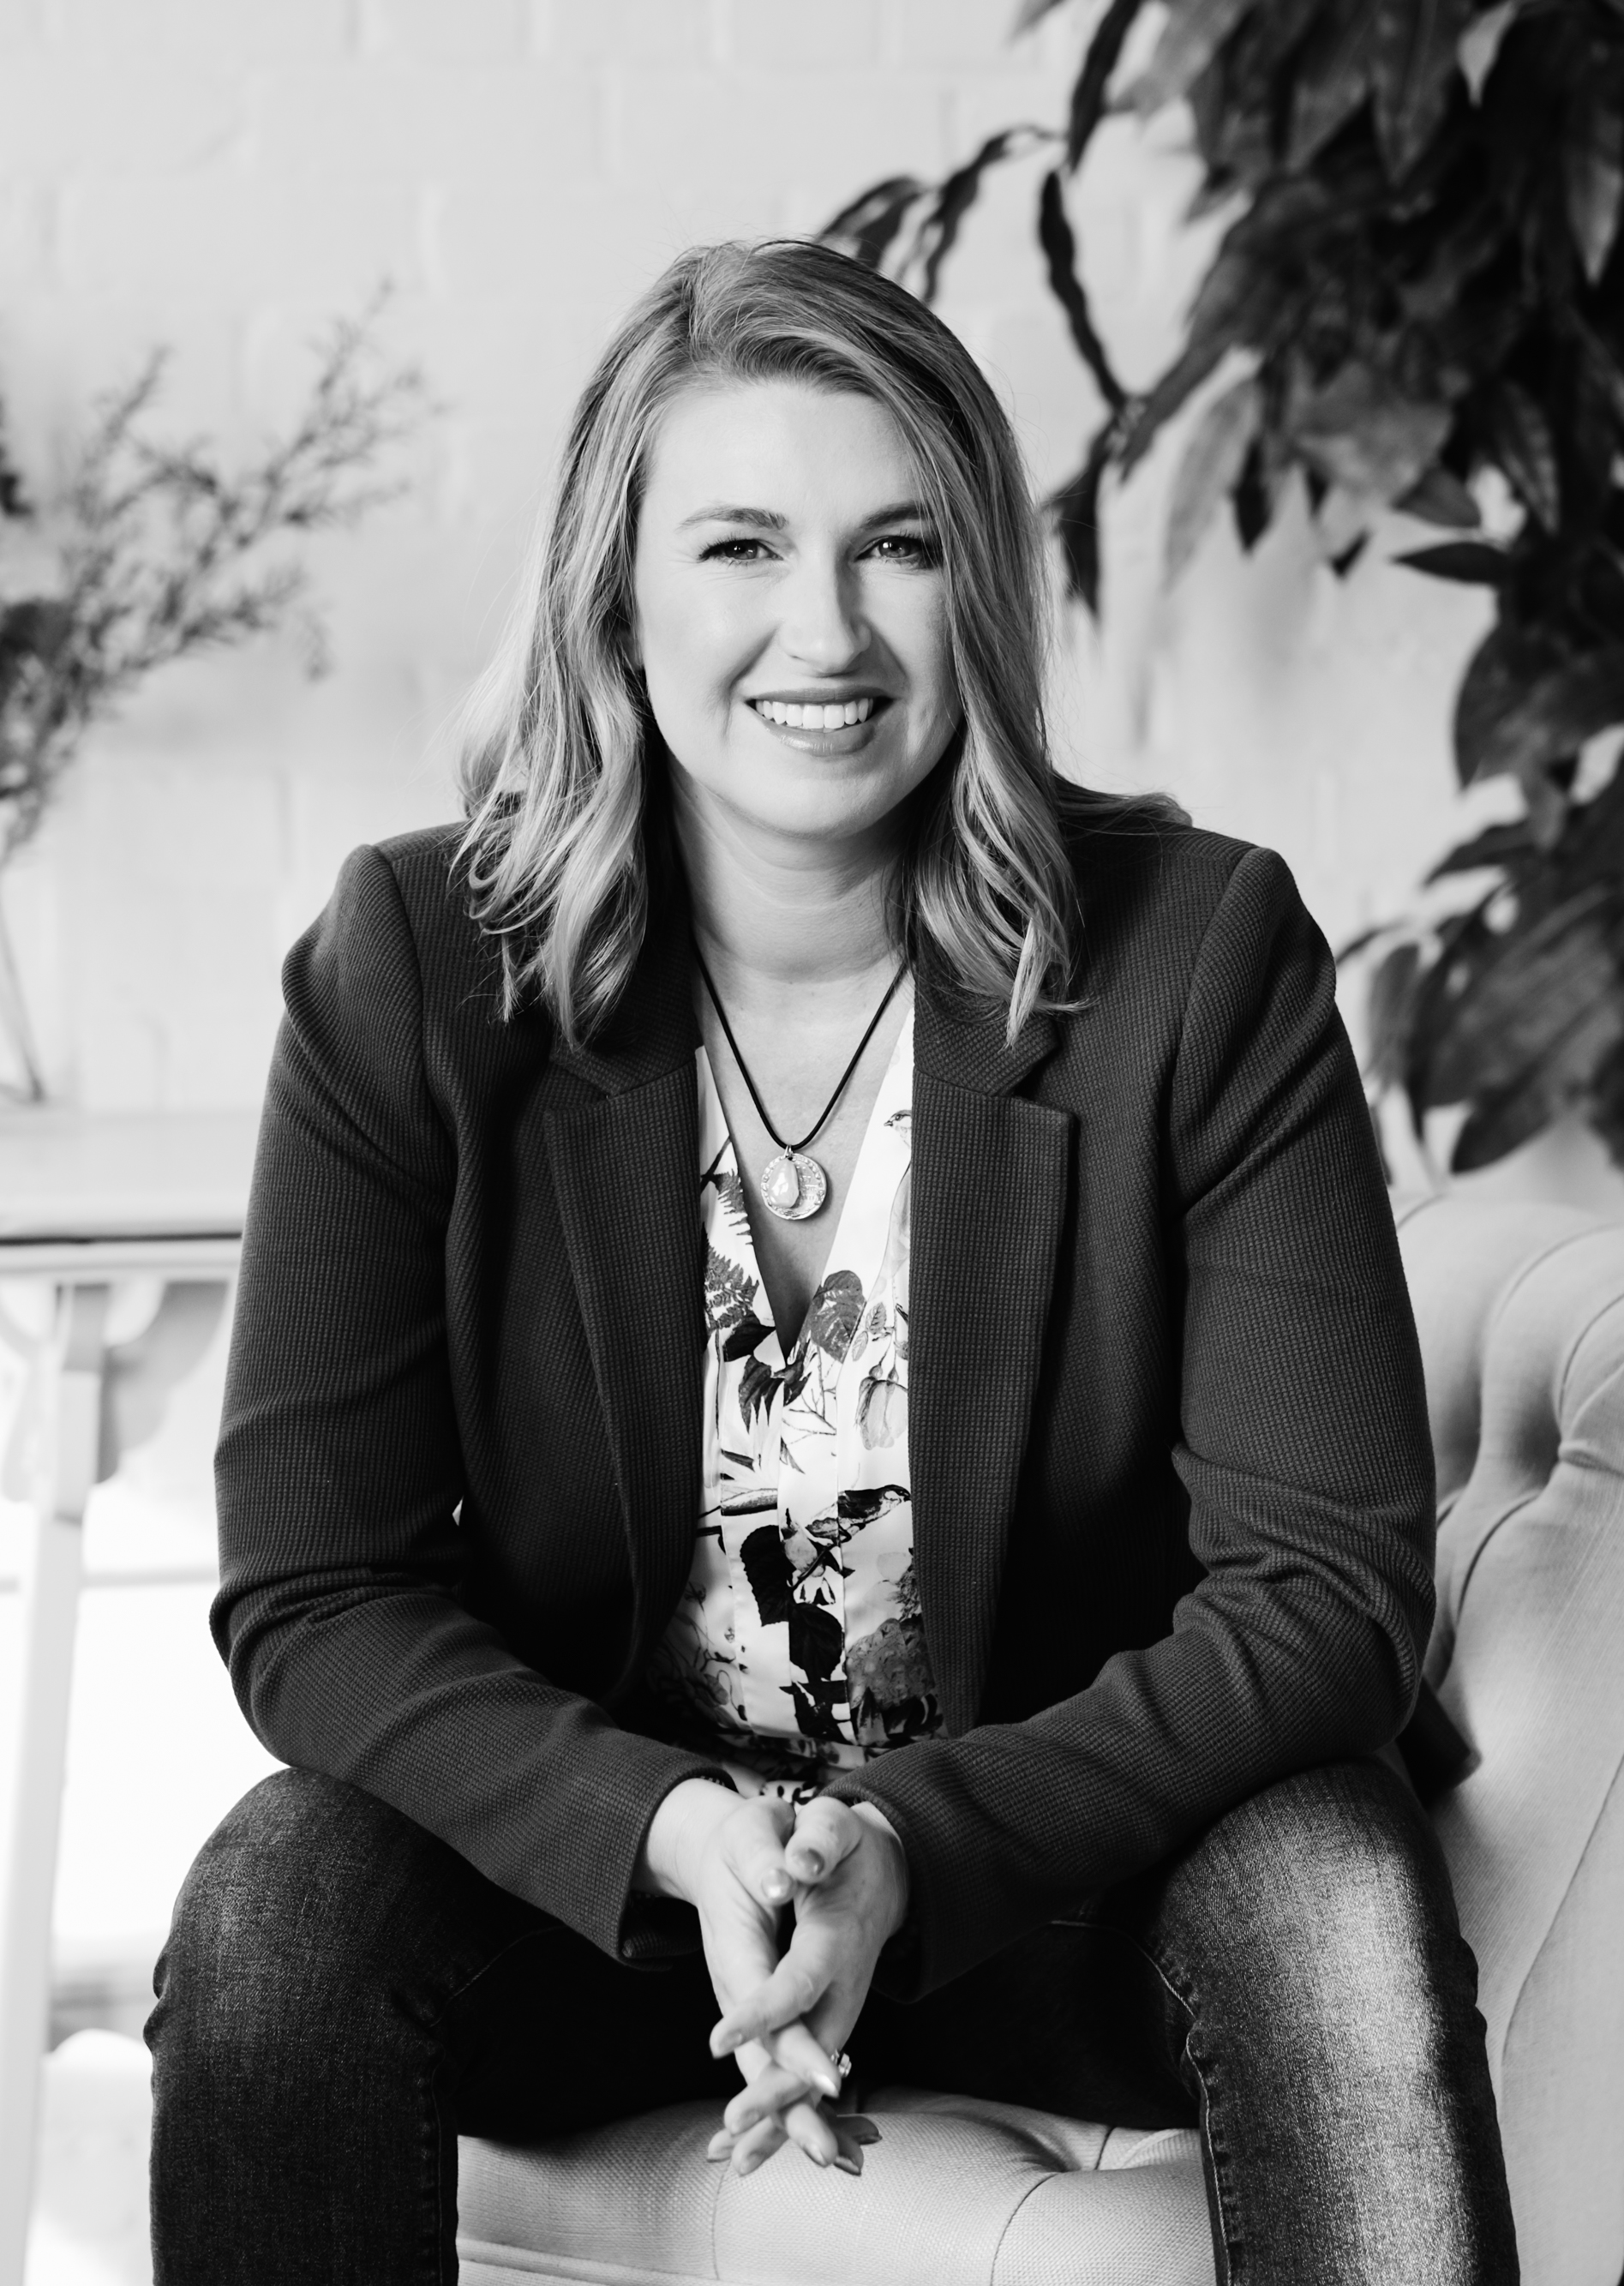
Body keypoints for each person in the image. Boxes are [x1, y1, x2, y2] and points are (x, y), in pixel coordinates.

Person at [147, 239, 1518, 2284]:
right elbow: (315, 1589)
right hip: (618, 1913)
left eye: (896, 546)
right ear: (615, 595)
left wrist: (904, 1847)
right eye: (736, 545)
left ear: (977, 589)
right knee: (277, 1897)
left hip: (1063, 1893)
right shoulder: (419, 970)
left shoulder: (1193, 958)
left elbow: (1325, 1595)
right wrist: (678, 1829)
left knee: (1329, 1867)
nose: (824, 629)